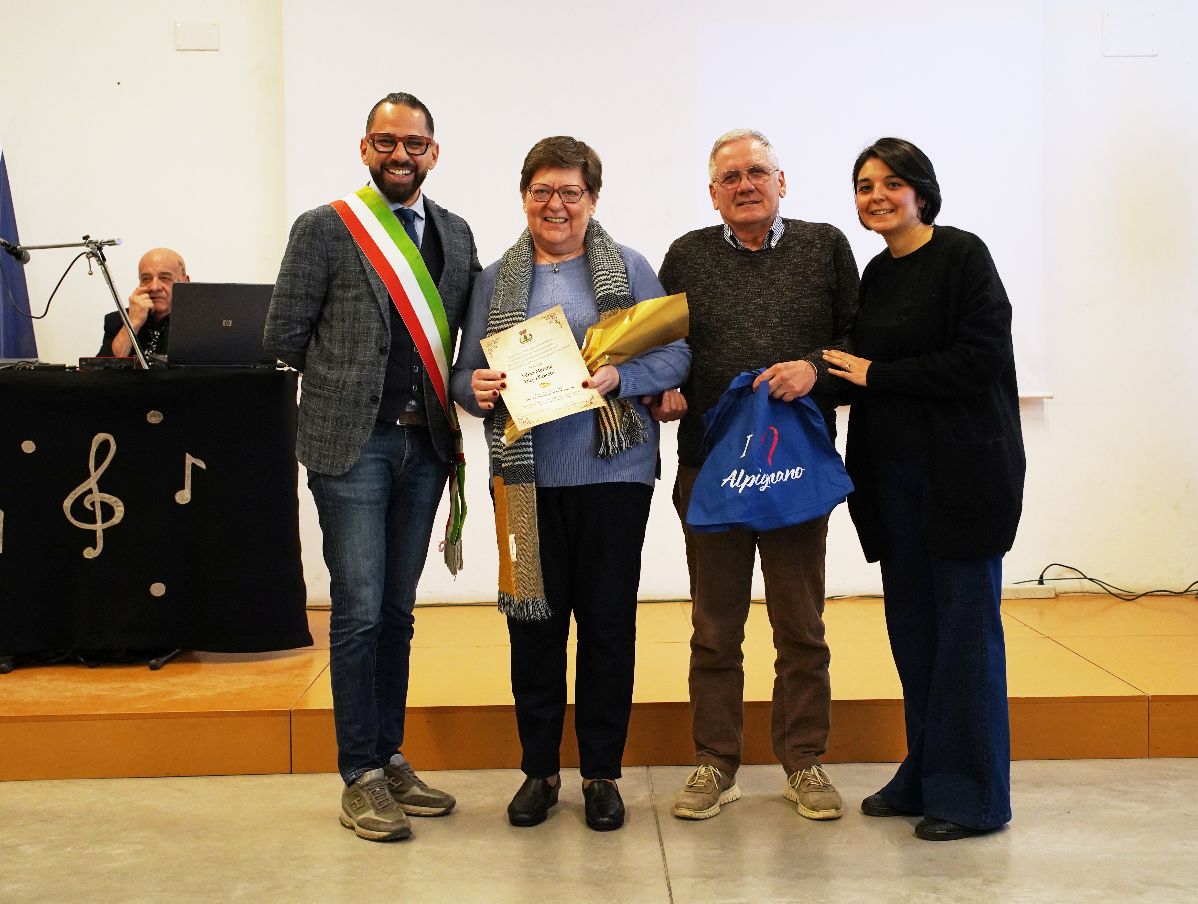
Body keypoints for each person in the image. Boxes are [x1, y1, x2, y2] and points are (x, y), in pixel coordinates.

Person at [451, 136, 690, 832]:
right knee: (532, 628)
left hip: (614, 474)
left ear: (592, 198)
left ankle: (601, 774)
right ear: (524, 196)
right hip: (523, 483)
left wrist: (623, 375)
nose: (555, 205)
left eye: (570, 192)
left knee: (608, 626)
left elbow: (676, 352)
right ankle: (540, 771)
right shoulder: (492, 280)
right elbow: (462, 374)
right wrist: (476, 388)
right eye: (542, 191)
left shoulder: (630, 267)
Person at [264, 92, 481, 842]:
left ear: (433, 153)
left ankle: (389, 757)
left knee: (396, 612)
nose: (400, 155)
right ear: (365, 148)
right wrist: (348, 382)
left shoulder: (455, 233)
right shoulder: (324, 228)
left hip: (427, 448)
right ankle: (358, 774)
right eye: (386, 142)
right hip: (352, 448)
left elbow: (460, 338)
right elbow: (283, 336)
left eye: (414, 144)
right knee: (357, 612)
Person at [822, 137, 1025, 841]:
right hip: (894, 482)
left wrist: (878, 376)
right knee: (914, 633)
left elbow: (979, 361)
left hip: (962, 479)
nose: (876, 196)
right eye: (864, 185)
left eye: (891, 183)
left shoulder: (963, 255)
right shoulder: (877, 274)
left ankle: (974, 798)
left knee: (965, 637)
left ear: (921, 191)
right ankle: (927, 771)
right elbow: (853, 368)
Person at [659, 129, 858, 822]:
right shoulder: (685, 256)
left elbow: (859, 343)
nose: (745, 185)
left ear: (782, 182)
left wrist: (815, 370)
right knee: (714, 629)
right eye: (730, 177)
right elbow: (666, 350)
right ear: (712, 193)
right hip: (709, 469)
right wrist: (664, 388)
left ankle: (803, 761)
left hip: (795, 470)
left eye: (757, 172)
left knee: (801, 625)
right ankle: (715, 763)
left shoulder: (825, 246)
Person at [97, 247, 188, 357]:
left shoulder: (199, 324)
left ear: (185, 282)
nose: (154, 287)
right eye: (146, 279)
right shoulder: (116, 321)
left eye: (164, 278)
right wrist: (132, 323)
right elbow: (103, 366)